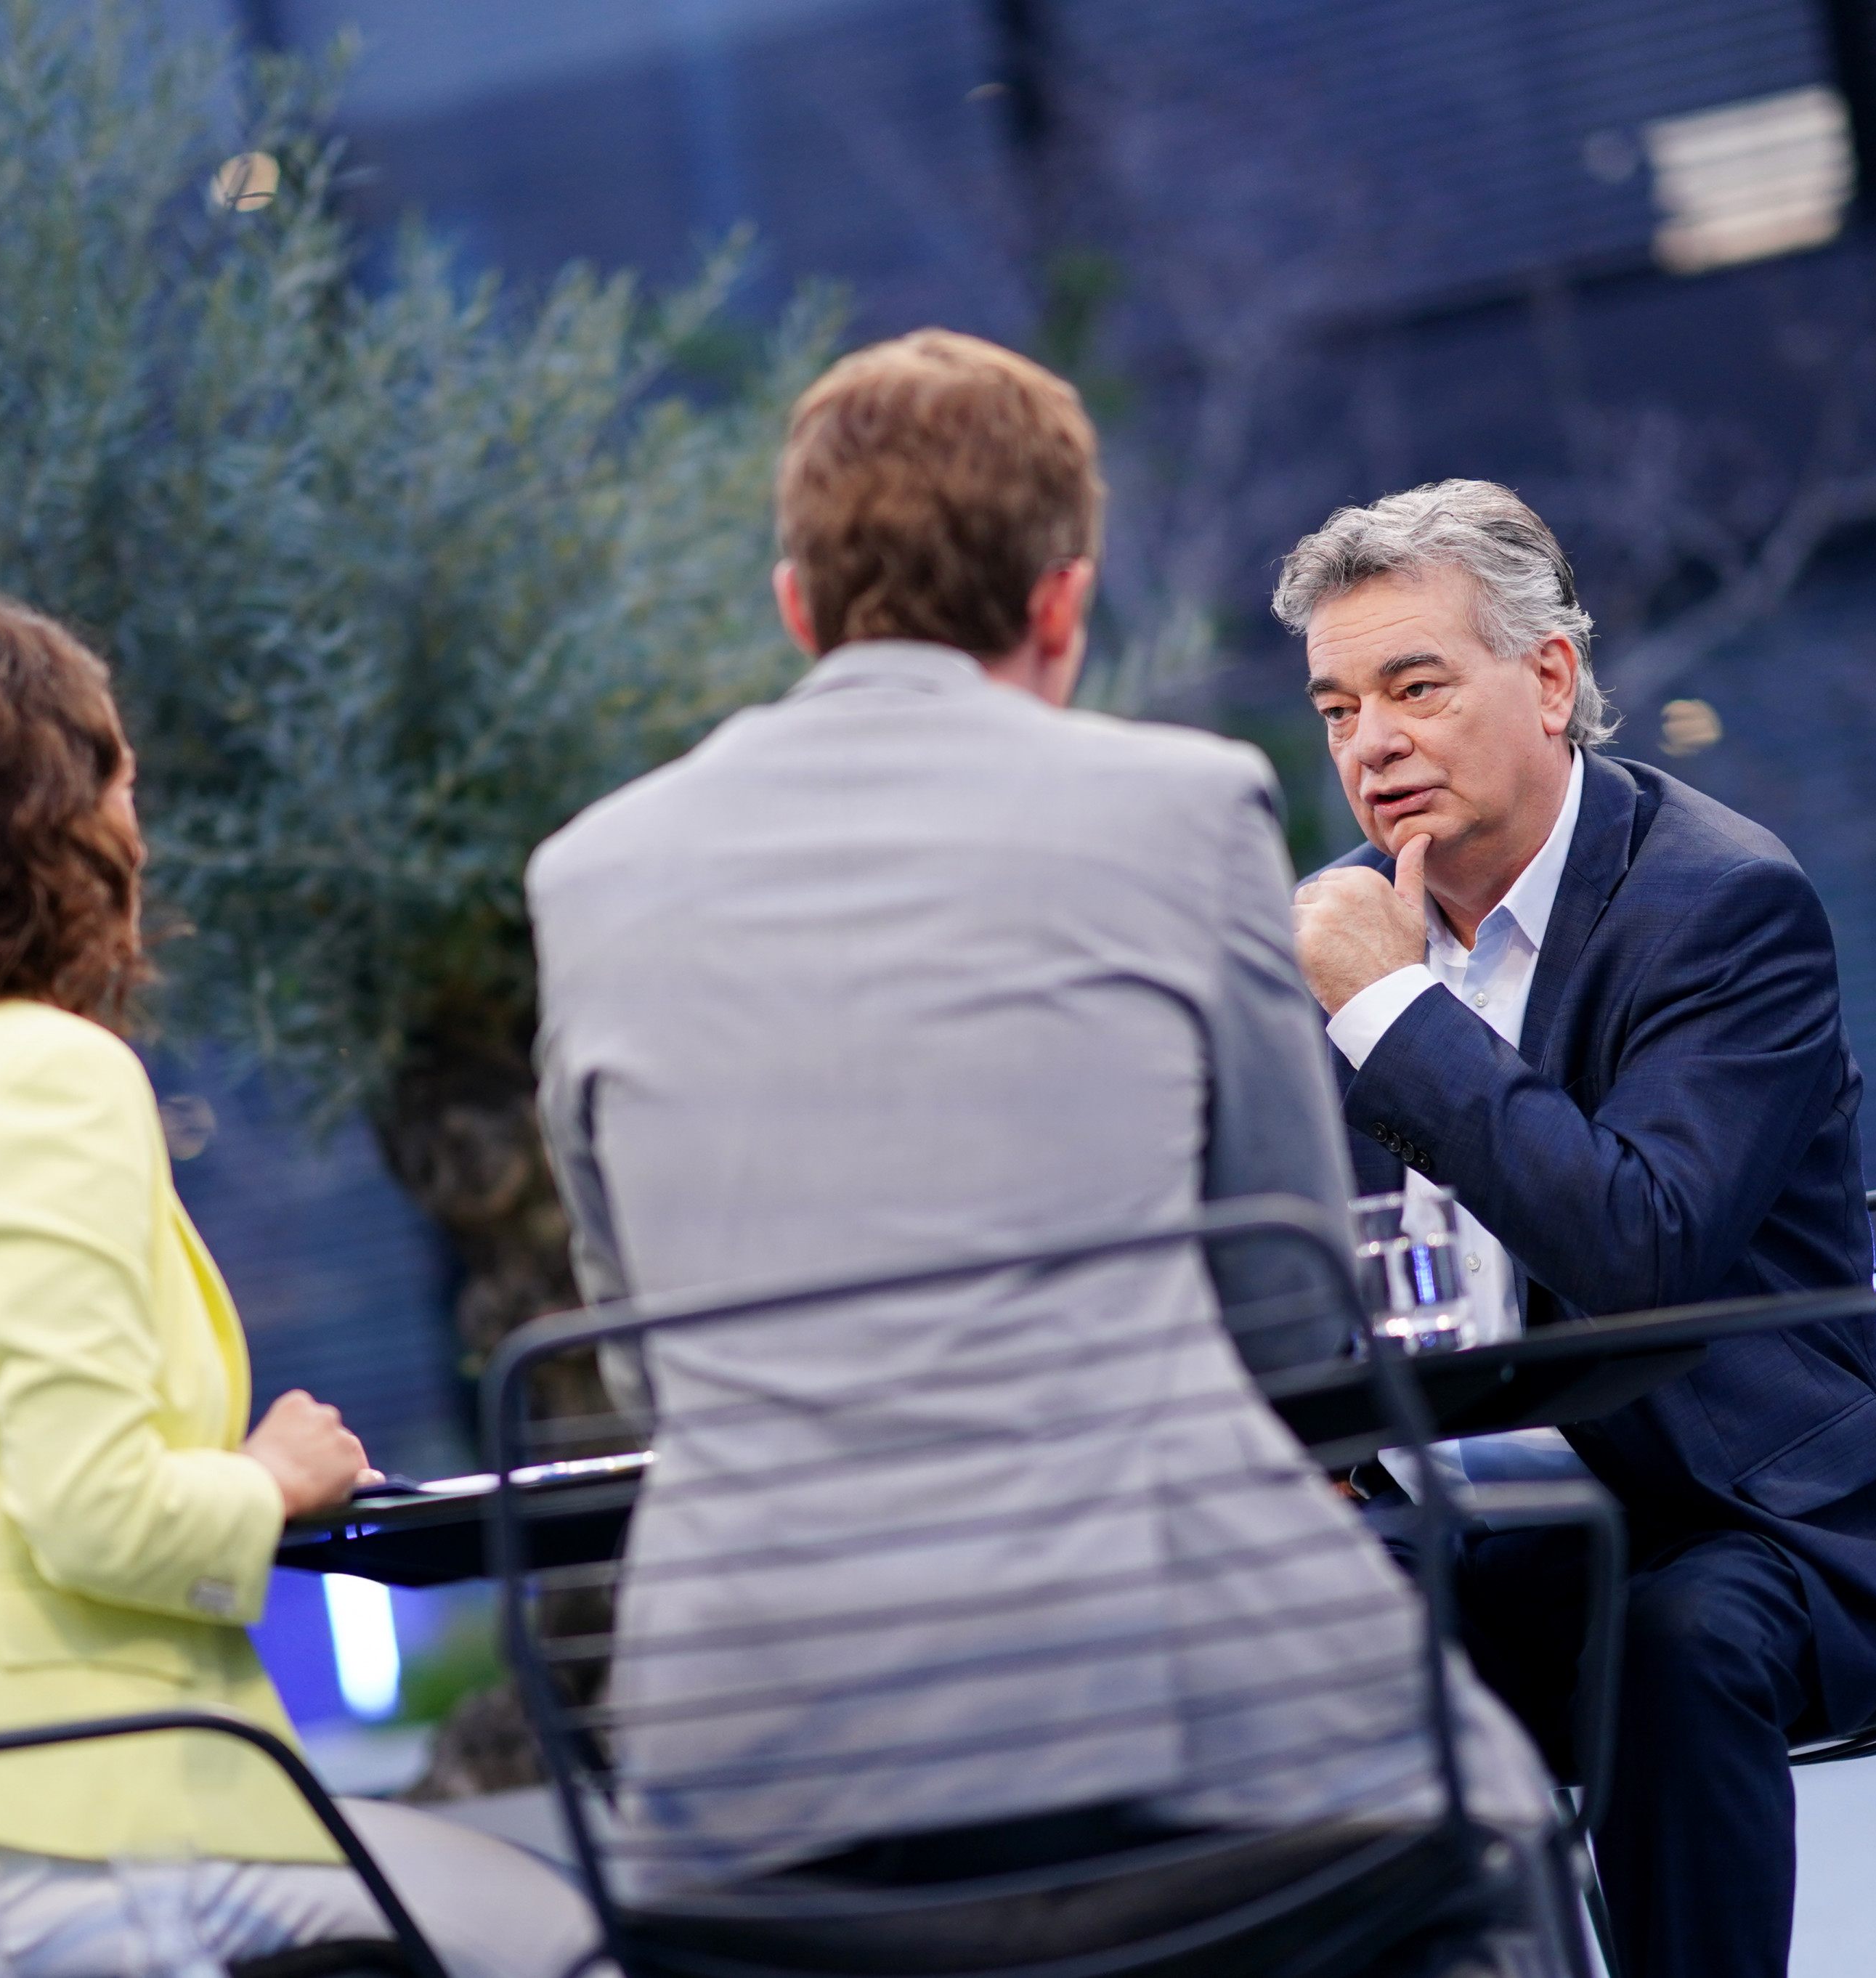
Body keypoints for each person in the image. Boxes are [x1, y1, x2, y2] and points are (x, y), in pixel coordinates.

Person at [526, 333, 1563, 1968]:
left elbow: (647, 1360)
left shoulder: (586, 875)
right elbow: (1289, 1320)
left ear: (798, 612)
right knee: (1494, 1823)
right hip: (1155, 1708)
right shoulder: (1181, 809)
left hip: (749, 1781)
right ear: (1064, 604)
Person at [0, 591, 601, 1978]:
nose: (139, 811)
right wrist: (275, 1476)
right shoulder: (52, 1076)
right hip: (60, 1849)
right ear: (41, 819)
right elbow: (99, 1515)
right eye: (115, 769)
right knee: (563, 1933)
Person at [1280, 481, 1876, 1978]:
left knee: (1676, 1640)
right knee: (1254, 1622)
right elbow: (1276, 1250)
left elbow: (1639, 1242)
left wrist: (1390, 1011)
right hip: (1469, 1512)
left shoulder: (1720, 905)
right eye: (1336, 707)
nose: (1370, 742)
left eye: (1413, 686)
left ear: (1549, 679)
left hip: (1744, 1509)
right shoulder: (1331, 926)